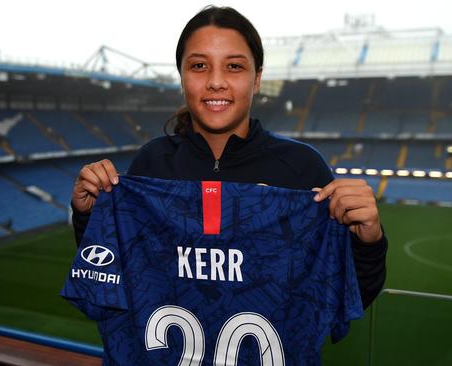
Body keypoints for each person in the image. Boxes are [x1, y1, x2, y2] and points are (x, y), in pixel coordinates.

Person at [70, 5, 386, 310]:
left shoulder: (302, 168)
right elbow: (114, 281)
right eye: (198, 66)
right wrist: (89, 217)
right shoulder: (151, 163)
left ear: (257, 78)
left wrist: (367, 242)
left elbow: (347, 297)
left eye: (234, 66)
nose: (216, 81)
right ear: (181, 77)